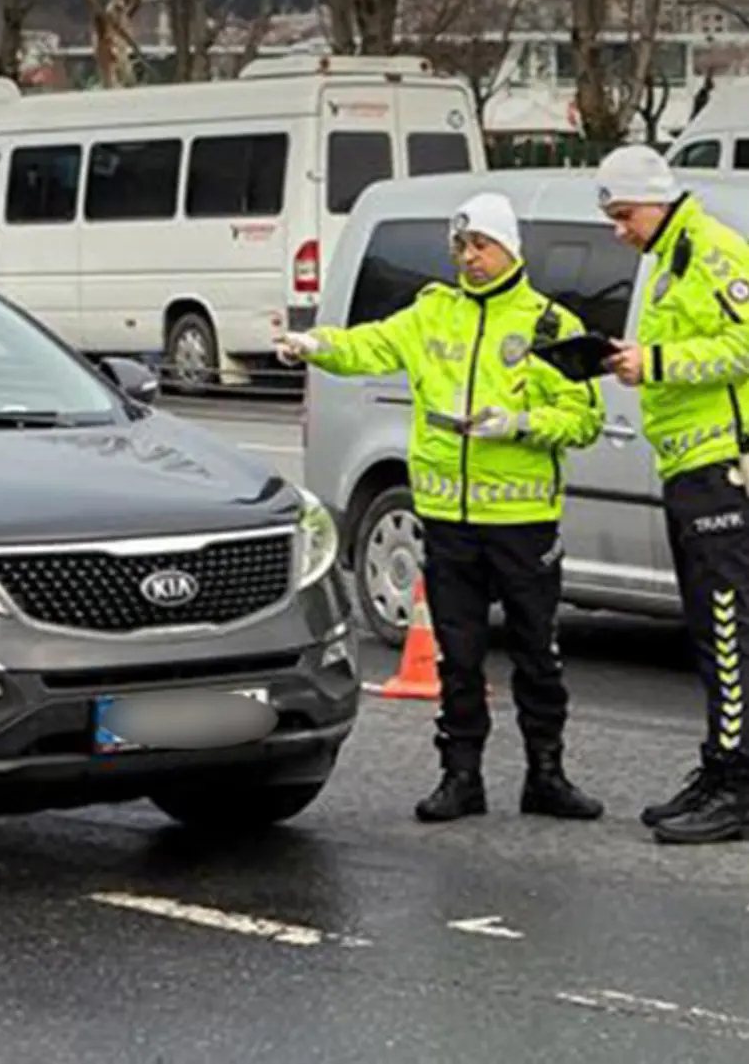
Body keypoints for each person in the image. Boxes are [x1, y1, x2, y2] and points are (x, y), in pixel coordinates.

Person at [276, 192, 605, 823]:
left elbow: (585, 419)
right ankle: (461, 777)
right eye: (461, 246)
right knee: (458, 654)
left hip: (522, 521)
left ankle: (547, 774)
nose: (470, 258)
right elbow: (370, 345)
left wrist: (517, 424)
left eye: (481, 245)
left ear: (510, 248)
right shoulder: (433, 314)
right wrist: (315, 344)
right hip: (448, 518)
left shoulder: (548, 325)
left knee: (538, 653)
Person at [597, 145, 749, 844]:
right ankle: (721, 765)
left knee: (727, 627)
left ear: (655, 199)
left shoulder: (711, 250)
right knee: (708, 627)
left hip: (726, 465)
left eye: (624, 214)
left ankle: (739, 783)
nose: (619, 230)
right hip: (690, 464)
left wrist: (653, 361)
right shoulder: (669, 256)